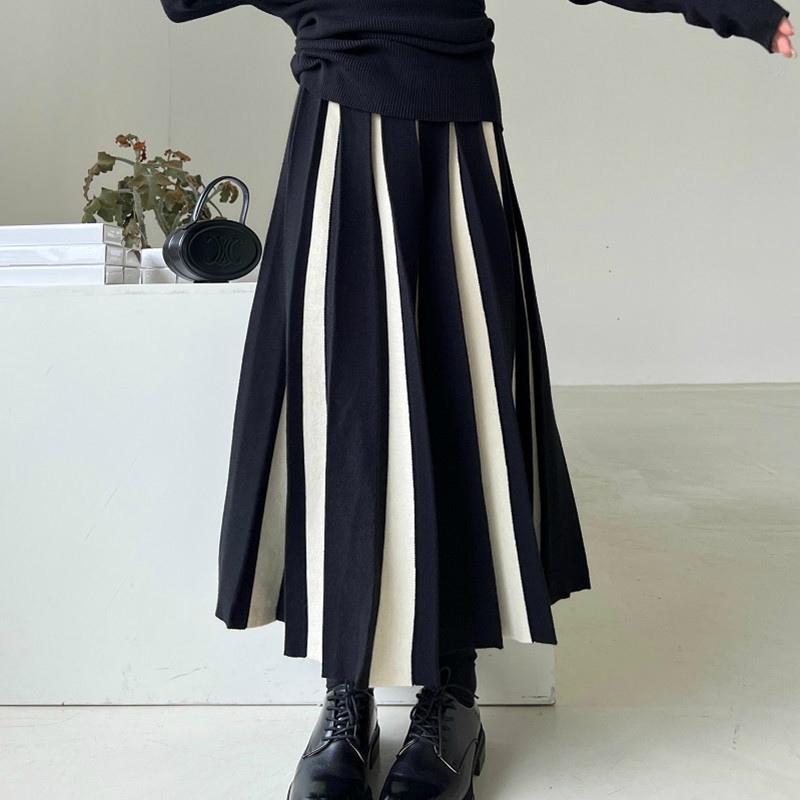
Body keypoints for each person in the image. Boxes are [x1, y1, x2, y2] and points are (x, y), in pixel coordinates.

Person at [160, 2, 794, 798]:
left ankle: (450, 697)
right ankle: (346, 699)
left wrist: (737, 8)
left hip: (457, 130)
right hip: (341, 123)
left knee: (461, 399)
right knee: (345, 411)